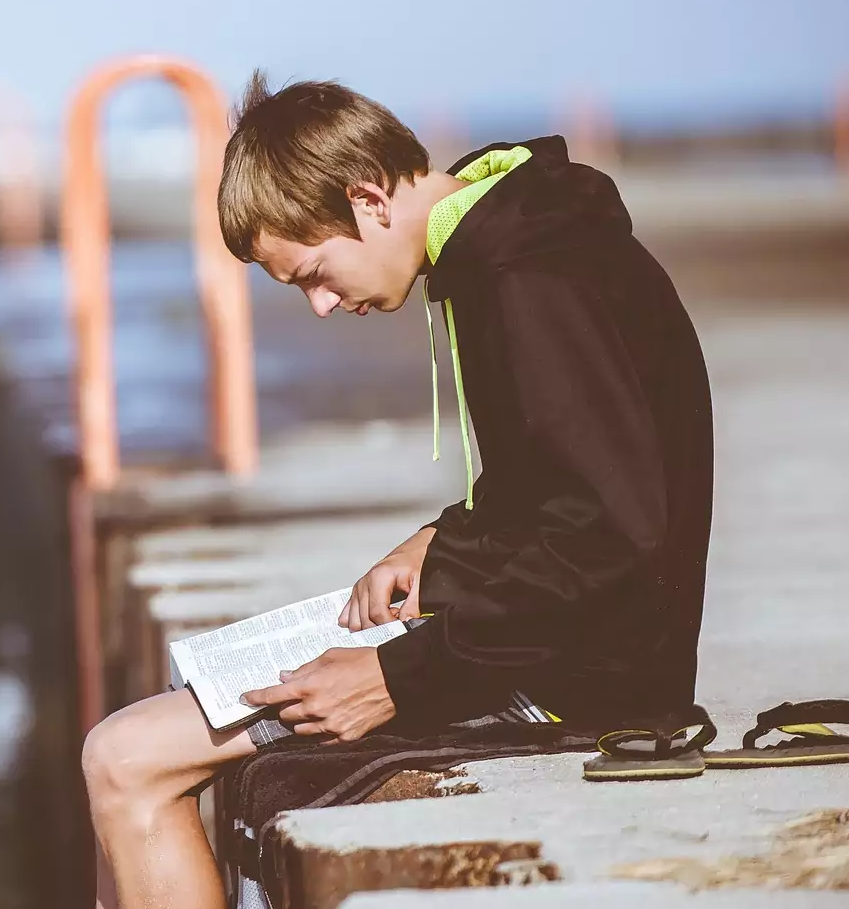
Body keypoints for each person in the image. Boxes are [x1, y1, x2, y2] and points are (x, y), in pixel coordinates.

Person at [81, 75, 713, 908]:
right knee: (137, 744)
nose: (319, 304)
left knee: (126, 761)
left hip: (582, 682)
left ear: (370, 197)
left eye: (313, 271)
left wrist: (398, 679)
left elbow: (614, 534)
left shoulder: (530, 281)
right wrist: (442, 544)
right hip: (549, 642)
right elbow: (568, 480)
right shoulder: (512, 242)